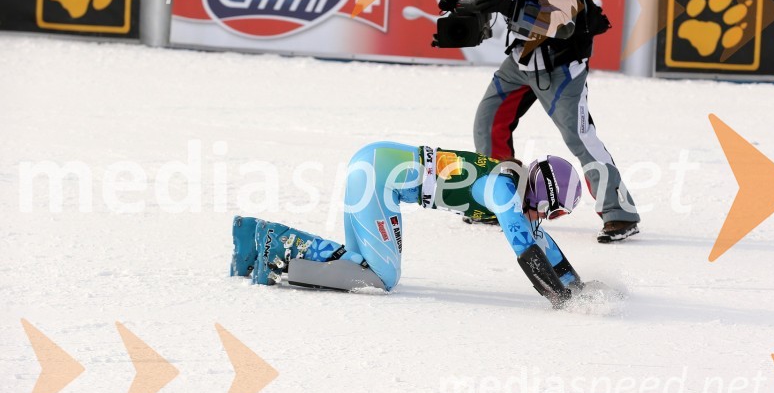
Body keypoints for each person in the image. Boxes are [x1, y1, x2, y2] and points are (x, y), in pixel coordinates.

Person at [438, 0, 640, 243]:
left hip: (561, 63)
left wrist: (506, 4)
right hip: (521, 58)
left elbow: (564, 23)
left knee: (579, 136)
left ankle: (619, 213)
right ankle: (498, 202)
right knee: (488, 123)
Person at [231, 142, 585, 308]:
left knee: (358, 261)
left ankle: (258, 239)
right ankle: (276, 260)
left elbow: (540, 240)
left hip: (371, 163)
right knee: (381, 278)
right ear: (542, 195)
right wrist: (560, 298)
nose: (548, 219)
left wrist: (578, 285)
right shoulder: (503, 190)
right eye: (553, 212)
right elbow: (523, 243)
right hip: (378, 179)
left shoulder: (509, 183)